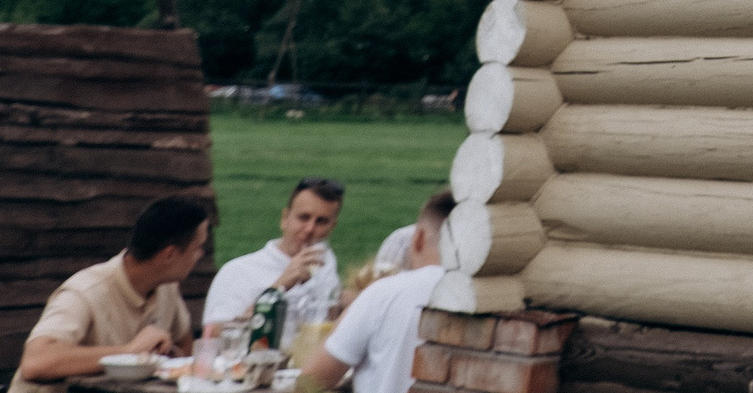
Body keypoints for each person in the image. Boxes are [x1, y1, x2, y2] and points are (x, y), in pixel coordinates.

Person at [7, 195, 207, 393]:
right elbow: (36, 362)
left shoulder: (166, 286)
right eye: (198, 247)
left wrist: (169, 354)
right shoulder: (85, 292)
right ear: (169, 255)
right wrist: (129, 353)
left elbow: (184, 349)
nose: (201, 255)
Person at [306, 193, 447, 393]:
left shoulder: (383, 292)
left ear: (418, 238)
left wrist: (351, 312)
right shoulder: (489, 299)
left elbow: (311, 381)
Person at [205, 178, 343, 334]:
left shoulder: (326, 263)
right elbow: (213, 335)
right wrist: (279, 288)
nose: (310, 229)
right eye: (303, 217)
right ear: (285, 218)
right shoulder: (237, 272)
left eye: (322, 222)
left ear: (332, 227)